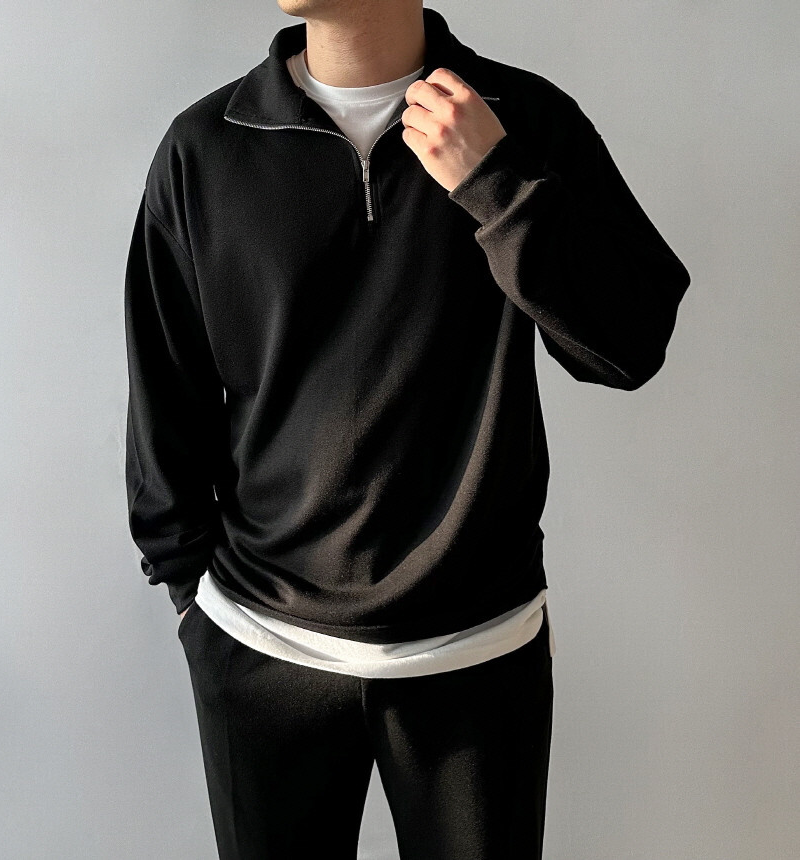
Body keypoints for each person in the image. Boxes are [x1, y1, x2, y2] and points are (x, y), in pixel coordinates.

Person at [123, 2, 690, 858]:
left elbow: (628, 345)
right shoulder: (206, 146)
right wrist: (188, 602)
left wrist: (494, 183)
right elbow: (167, 394)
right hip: (260, 647)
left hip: (477, 654)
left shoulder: (523, 121)